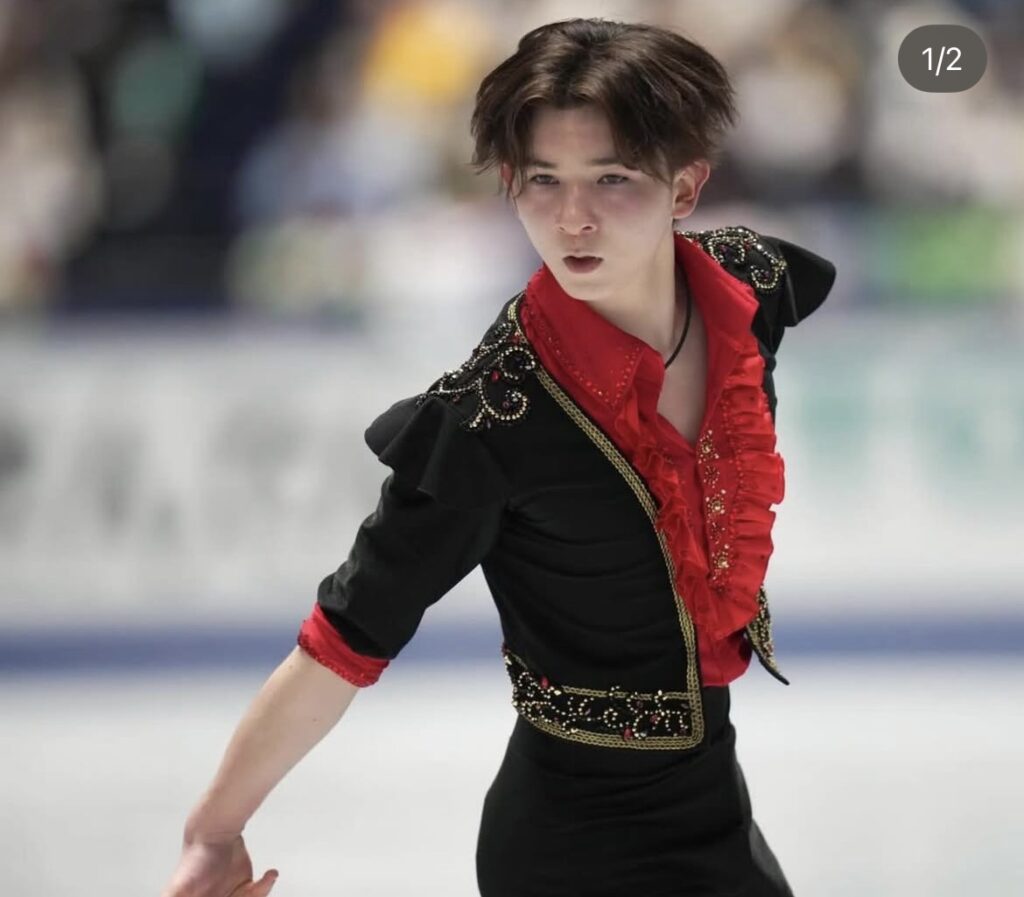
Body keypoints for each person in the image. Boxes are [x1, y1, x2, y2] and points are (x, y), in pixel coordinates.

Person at [160, 17, 836, 897]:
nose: (573, 216)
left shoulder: (750, 285)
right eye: (543, 180)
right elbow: (340, 642)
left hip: (718, 822)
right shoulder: (492, 416)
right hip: (566, 854)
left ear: (685, 186)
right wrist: (214, 830)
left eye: (612, 179)